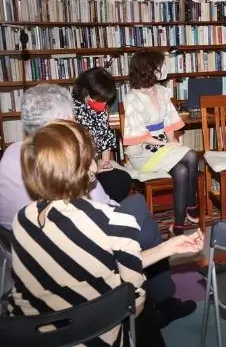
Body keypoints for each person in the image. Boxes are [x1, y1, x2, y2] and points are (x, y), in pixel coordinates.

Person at [0, 84, 197, 327]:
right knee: (137, 210)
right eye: (73, 118)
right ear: (63, 122)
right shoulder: (70, 164)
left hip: (26, 258)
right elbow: (105, 213)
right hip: (83, 257)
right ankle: (164, 302)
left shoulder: (10, 156)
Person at [123, 50, 199, 236]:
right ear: (148, 69)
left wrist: (172, 141)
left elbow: (170, 121)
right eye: (159, 65)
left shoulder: (163, 91)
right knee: (191, 155)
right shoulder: (132, 97)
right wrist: (168, 146)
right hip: (143, 151)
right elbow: (138, 134)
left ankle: (178, 226)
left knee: (181, 171)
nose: (163, 68)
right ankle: (191, 203)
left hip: (164, 146)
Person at [73, 67, 132, 202]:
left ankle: (109, 210)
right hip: (78, 167)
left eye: (106, 101)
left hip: (95, 163)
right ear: (86, 92)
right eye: (101, 100)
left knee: (121, 179)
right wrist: (92, 165)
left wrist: (105, 163)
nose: (104, 104)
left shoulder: (100, 106)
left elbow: (105, 134)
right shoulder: (71, 109)